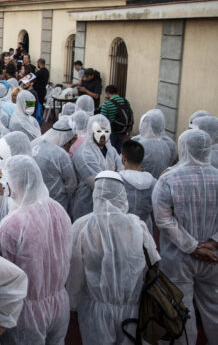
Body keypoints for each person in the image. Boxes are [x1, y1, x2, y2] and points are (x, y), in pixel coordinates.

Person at [68, 172, 159, 345]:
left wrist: (73, 303)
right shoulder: (138, 226)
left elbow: (75, 271)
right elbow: (151, 264)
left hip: (94, 308)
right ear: (122, 194)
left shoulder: (81, 226)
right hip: (133, 307)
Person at [0, 156, 72, 344]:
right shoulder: (58, 209)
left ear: (14, 184)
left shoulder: (13, 224)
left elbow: (1, 269)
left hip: (26, 312)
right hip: (60, 303)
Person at [152, 129, 218, 345]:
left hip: (178, 258)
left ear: (183, 149)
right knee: (214, 308)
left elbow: (163, 220)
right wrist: (212, 242)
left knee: (181, 311)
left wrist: (192, 246)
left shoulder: (168, 179)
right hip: (213, 256)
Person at [72, 114, 122, 220]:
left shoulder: (110, 149)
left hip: (107, 206)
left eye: (106, 131)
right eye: (99, 131)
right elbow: (98, 183)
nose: (103, 135)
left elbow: (121, 167)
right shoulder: (85, 154)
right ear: (91, 131)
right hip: (87, 205)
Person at [118, 140, 156, 232]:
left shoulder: (117, 179)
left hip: (120, 230)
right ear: (142, 159)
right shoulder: (153, 182)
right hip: (144, 229)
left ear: (123, 159)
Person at [132, 109, 176, 178]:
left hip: (140, 183)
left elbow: (129, 166)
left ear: (149, 125)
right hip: (160, 182)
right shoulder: (168, 144)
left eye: (145, 122)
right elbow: (169, 164)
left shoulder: (137, 143)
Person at [99, 85, 131, 152]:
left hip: (111, 132)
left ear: (107, 93)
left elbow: (102, 120)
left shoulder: (107, 104)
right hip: (123, 131)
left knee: (109, 153)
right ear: (117, 92)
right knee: (119, 153)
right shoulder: (126, 102)